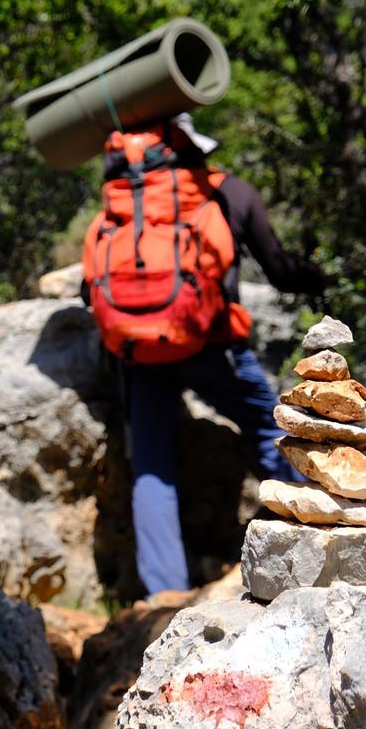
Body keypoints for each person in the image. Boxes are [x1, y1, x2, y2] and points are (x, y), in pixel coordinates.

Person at [124, 114, 326, 596]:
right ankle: (308, 546)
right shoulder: (231, 192)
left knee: (152, 464)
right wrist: (322, 276)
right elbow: (278, 271)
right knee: (270, 428)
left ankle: (163, 595)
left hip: (140, 348)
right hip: (214, 346)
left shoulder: (130, 195)